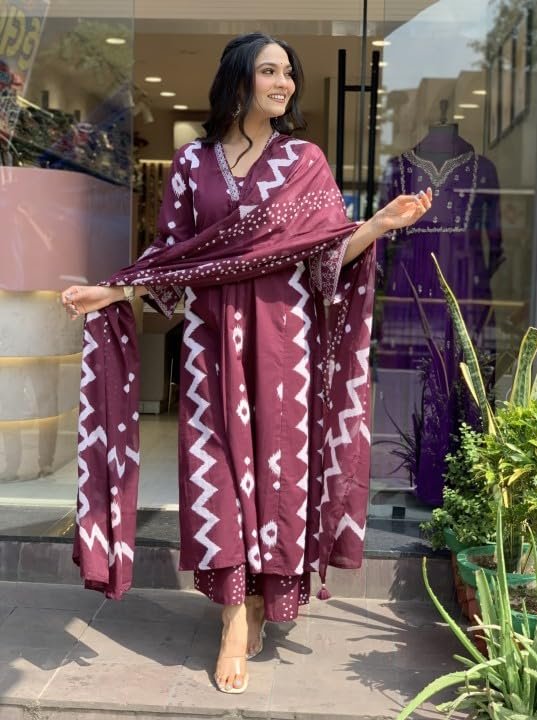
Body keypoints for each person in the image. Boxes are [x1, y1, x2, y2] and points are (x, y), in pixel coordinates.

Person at [62, 33, 431, 695]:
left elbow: (327, 254)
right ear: (238, 80)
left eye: (289, 73)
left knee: (275, 476)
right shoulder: (191, 164)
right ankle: (234, 616)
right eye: (269, 71)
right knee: (216, 471)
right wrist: (113, 293)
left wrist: (377, 225)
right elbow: (175, 259)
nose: (284, 83)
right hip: (208, 345)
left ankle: (261, 598)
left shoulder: (304, 161)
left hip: (284, 344)